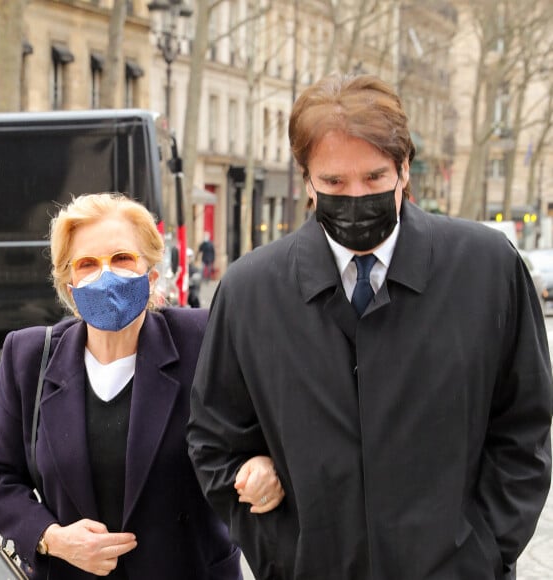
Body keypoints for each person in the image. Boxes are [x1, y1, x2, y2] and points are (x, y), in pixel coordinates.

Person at [187, 74, 553, 580]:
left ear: (405, 170)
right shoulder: (250, 290)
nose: (355, 197)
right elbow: (214, 439)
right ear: (307, 180)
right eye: (334, 182)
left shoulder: (488, 267)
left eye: (375, 178)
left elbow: (525, 425)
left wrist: (484, 550)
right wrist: (278, 546)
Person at [0, 193, 243, 579]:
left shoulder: (201, 339)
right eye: (87, 264)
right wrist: (50, 537)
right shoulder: (29, 355)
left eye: (122, 258)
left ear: (151, 273)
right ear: (68, 284)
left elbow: (252, 435)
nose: (106, 276)